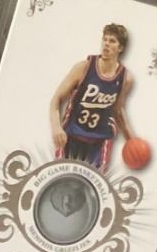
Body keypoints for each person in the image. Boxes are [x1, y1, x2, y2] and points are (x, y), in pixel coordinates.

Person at [45, 23, 136, 170]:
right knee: (64, 178)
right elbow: (56, 99)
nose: (106, 44)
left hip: (100, 141)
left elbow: (117, 110)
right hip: (72, 135)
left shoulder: (126, 78)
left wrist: (131, 140)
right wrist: (56, 127)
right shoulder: (83, 68)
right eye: (105, 39)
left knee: (92, 181)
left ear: (120, 48)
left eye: (112, 41)